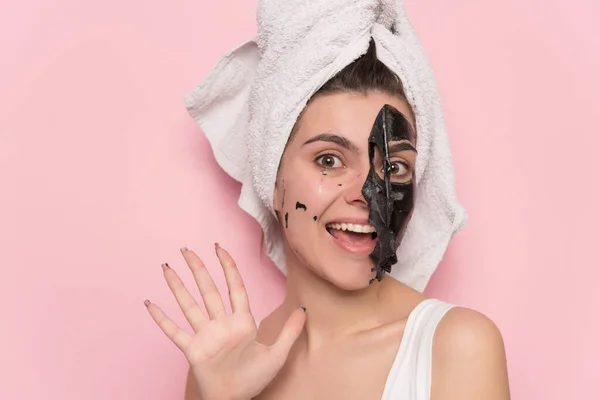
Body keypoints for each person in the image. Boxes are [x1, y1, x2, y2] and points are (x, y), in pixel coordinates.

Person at [144, 39, 511, 399]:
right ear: (271, 178)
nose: (368, 192)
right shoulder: (223, 365)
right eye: (329, 160)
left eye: (394, 167)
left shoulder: (456, 347)